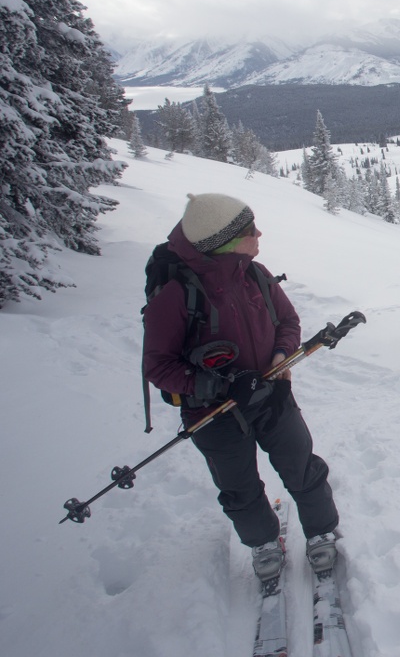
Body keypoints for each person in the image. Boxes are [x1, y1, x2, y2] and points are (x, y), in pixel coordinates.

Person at [142, 192, 340, 580]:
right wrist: (220, 387)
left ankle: (321, 533)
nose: (259, 233)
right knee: (239, 487)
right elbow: (158, 366)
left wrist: (281, 357)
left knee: (302, 468)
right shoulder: (176, 295)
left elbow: (288, 321)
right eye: (251, 230)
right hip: (211, 415)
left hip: (272, 397)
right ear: (225, 242)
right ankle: (264, 544)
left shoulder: (254, 273)